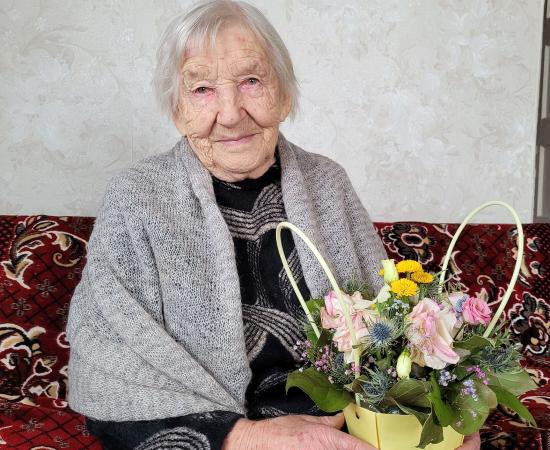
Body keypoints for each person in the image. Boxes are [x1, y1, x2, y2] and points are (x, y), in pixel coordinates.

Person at [66, 1, 481, 449]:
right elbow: (111, 366)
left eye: (251, 81)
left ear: (284, 94)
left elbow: (393, 328)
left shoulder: (327, 183)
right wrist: (248, 438)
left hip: (348, 431)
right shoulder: (136, 197)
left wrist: (445, 415)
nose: (230, 113)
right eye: (202, 89)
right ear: (177, 110)